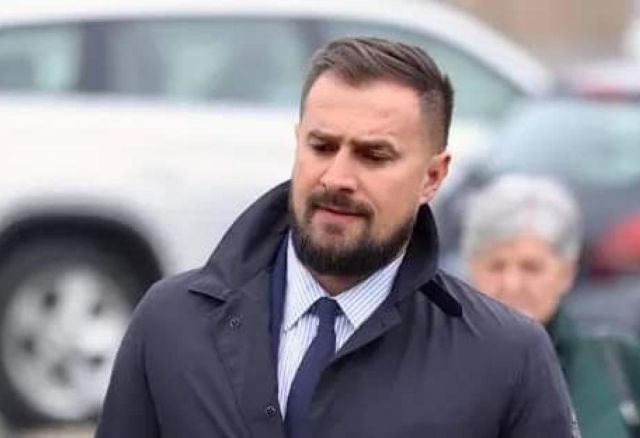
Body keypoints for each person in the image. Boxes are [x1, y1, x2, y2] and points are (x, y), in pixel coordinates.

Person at [96, 37, 577, 438]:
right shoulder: (171, 324)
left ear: (433, 177)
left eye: (374, 155)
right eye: (322, 147)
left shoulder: (507, 356)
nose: (337, 177)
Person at [462, 174, 640, 438]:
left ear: (566, 273)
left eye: (531, 267)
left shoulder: (615, 362)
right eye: (496, 267)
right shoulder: (436, 366)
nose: (512, 284)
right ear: (472, 271)